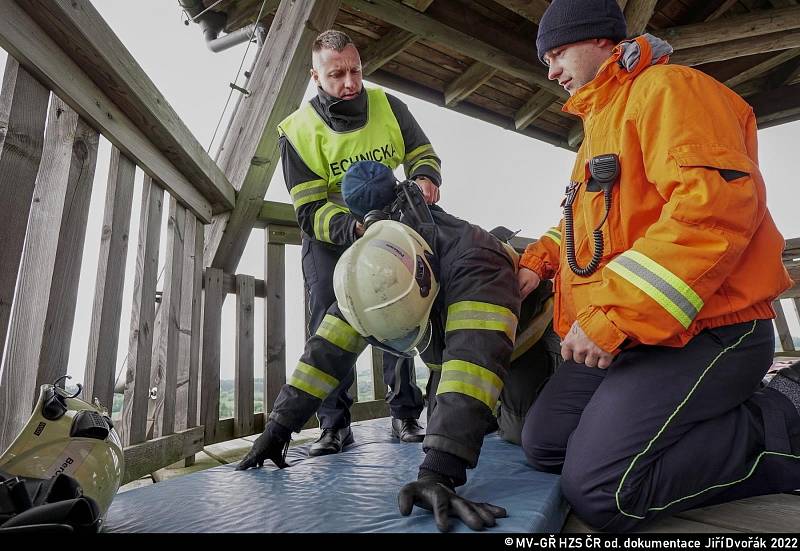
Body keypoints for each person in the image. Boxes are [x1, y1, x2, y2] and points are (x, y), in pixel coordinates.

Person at [518, 0, 800, 532]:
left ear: (602, 39)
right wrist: (537, 261)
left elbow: (710, 213)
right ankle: (669, 418)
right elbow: (587, 231)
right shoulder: (598, 127)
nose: (550, 70)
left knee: (603, 493)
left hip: (715, 328)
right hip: (641, 332)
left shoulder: (670, 91)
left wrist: (609, 320)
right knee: (545, 442)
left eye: (557, 53)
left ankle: (783, 420)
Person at [237, 160, 558, 531]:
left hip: (522, 345)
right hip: (455, 356)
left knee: (520, 434)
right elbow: (325, 353)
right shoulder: (375, 267)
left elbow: (473, 363)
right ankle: (488, 413)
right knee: (453, 423)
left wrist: (438, 472)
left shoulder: (475, 258)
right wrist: (279, 427)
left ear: (425, 278)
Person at [278, 30, 444, 455]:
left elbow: (423, 152)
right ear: (316, 76)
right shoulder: (297, 131)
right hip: (331, 235)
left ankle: (406, 415)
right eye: (337, 75)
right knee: (325, 324)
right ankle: (334, 426)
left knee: (401, 312)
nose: (350, 83)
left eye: (355, 71)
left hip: (393, 227)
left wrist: (425, 178)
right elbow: (309, 210)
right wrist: (356, 228)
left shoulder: (390, 105)